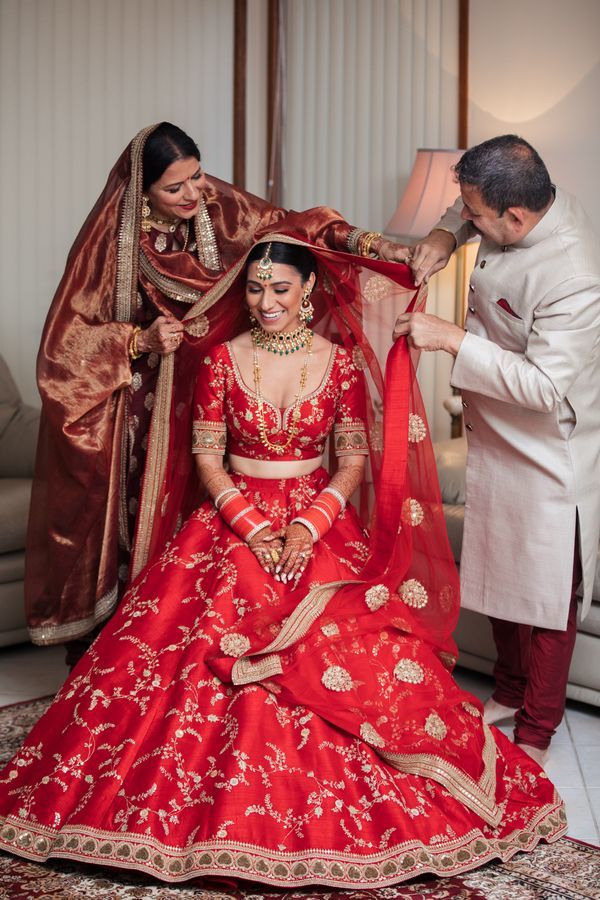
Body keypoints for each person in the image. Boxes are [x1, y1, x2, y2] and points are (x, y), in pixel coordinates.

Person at [0, 240, 565, 890]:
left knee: (361, 665)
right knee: (190, 647)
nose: (265, 303)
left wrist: (305, 525)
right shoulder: (219, 360)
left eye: (280, 290)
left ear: (309, 294)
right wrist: (255, 525)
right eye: (254, 290)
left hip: (317, 523)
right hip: (233, 520)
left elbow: (351, 460)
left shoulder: (342, 364)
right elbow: (208, 458)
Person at [26, 122, 411, 662]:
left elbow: (296, 229)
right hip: (144, 402)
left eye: (197, 176)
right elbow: (65, 346)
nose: (193, 194)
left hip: (226, 381)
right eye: (174, 188)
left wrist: (373, 244)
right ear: (143, 192)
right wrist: (139, 338)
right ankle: (117, 648)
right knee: (142, 522)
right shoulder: (111, 242)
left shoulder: (217, 207)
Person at [394, 135, 600, 767]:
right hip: (496, 433)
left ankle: (537, 727)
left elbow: (541, 387)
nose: (469, 218)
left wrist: (452, 339)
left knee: (543, 594)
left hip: (547, 445)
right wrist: (445, 234)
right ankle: (508, 692)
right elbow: (469, 215)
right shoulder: (520, 206)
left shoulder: (574, 275)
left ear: (515, 217)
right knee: (506, 577)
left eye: (476, 215)